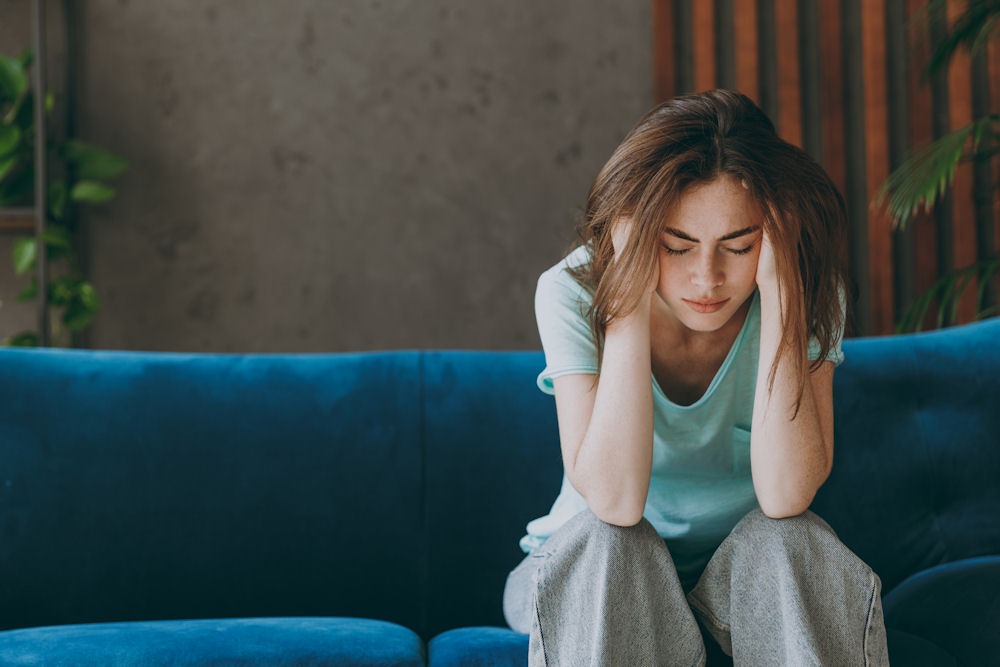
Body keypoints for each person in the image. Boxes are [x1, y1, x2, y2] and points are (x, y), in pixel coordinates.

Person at [502, 90, 889, 666]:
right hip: (594, 567)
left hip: (745, 575)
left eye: (739, 246)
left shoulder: (804, 290)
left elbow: (786, 496)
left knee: (792, 540)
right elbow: (614, 501)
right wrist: (627, 294)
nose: (705, 279)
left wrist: (783, 289)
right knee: (611, 543)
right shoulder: (570, 291)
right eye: (675, 247)